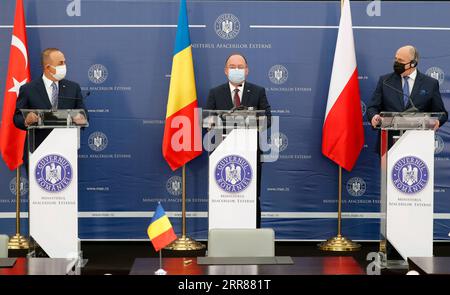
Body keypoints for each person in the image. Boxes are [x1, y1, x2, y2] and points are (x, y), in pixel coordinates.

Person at [206, 53, 271, 228]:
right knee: (223, 193)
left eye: (240, 67)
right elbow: (208, 121)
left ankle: (254, 234)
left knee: (251, 195)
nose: (237, 70)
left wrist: (246, 123)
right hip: (222, 154)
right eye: (233, 67)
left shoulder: (258, 92)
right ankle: (221, 231)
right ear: (226, 71)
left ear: (247, 70)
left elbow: (267, 119)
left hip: (250, 154)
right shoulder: (215, 93)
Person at [13, 48, 88, 163]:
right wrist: (26, 119)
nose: (64, 66)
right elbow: (17, 117)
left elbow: (84, 115)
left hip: (65, 152)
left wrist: (81, 118)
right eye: (60, 63)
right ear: (48, 67)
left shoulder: (73, 88)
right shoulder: (28, 89)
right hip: (36, 150)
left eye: (65, 62)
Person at [367, 45, 448, 133]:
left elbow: (442, 113)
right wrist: (374, 116)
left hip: (419, 140)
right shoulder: (385, 81)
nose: (396, 63)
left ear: (413, 63)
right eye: (396, 59)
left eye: (400, 60)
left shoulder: (430, 84)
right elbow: (372, 107)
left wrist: (437, 121)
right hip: (389, 141)